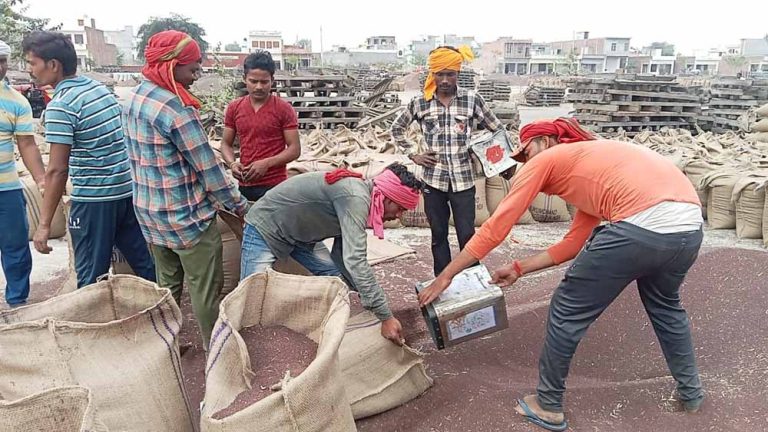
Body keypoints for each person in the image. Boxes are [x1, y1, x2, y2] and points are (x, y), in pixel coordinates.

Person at [418, 118, 705, 431]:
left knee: (566, 310)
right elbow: (572, 245)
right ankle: (691, 396)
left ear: (543, 142)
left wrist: (446, 276)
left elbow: (496, 227)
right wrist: (518, 268)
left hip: (639, 225)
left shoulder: (548, 159)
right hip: (688, 232)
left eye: (525, 154)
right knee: (665, 308)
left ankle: (548, 404)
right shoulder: (594, 168)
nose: (525, 164)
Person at [122, 30, 248, 348]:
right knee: (206, 289)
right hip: (186, 219)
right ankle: (215, 351)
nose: (194, 77)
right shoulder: (177, 111)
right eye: (191, 69)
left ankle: (167, 347)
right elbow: (208, 170)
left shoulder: (134, 99)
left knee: (167, 285)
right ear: (171, 65)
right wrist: (239, 205)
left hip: (150, 214)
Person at [23, 31, 155, 287]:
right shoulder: (98, 89)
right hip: (125, 193)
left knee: (91, 277)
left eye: (32, 63)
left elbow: (57, 171)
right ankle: (164, 315)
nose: (30, 70)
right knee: (145, 265)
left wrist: (43, 224)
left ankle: (92, 325)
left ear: (53, 65)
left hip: (94, 201)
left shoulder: (61, 106)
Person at [240, 163, 422, 345]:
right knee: (251, 297)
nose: (399, 216)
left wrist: (366, 294)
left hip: (301, 236)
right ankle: (247, 347)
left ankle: (327, 332)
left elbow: (342, 255)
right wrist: (385, 316)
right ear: (387, 198)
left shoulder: (359, 197)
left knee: (336, 279)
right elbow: (355, 260)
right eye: (400, 208)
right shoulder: (355, 197)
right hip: (266, 225)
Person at [391, 45, 503, 277]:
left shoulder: (472, 100)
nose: (444, 80)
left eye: (449, 74)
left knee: (467, 236)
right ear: (431, 75)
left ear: (458, 75)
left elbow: (497, 130)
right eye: (439, 74)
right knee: (438, 235)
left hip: (464, 182)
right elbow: (397, 128)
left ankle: (472, 282)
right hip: (434, 182)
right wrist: (414, 154)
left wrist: (483, 151)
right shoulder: (420, 102)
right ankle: (443, 282)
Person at [0, 39, 46, 307]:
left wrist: (42, 179)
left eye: (2, 61)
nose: (0, 67)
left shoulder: (17, 102)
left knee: (15, 247)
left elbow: (26, 144)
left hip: (7, 189)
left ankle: (17, 302)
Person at [221, 51, 300, 202]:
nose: (258, 87)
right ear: (244, 79)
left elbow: (294, 149)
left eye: (264, 82)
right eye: (253, 81)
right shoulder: (234, 108)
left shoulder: (283, 109)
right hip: (245, 182)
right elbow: (225, 143)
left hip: (275, 185)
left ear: (272, 80)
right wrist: (232, 163)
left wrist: (266, 163)